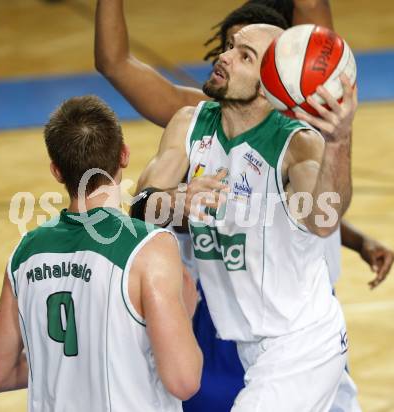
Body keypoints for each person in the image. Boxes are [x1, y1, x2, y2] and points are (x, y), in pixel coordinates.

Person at [135, 23, 358, 410]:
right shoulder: (189, 125)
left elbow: (323, 219)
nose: (223, 57)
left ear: (271, 83)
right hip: (247, 344)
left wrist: (338, 142)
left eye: (244, 56)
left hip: (300, 342)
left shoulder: (296, 144)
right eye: (229, 47)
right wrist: (177, 202)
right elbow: (140, 208)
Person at [0, 95, 203, 411]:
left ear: (57, 171)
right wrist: (188, 309)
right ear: (124, 155)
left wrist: (68, 364)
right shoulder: (149, 247)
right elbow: (184, 380)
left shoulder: (24, 252)